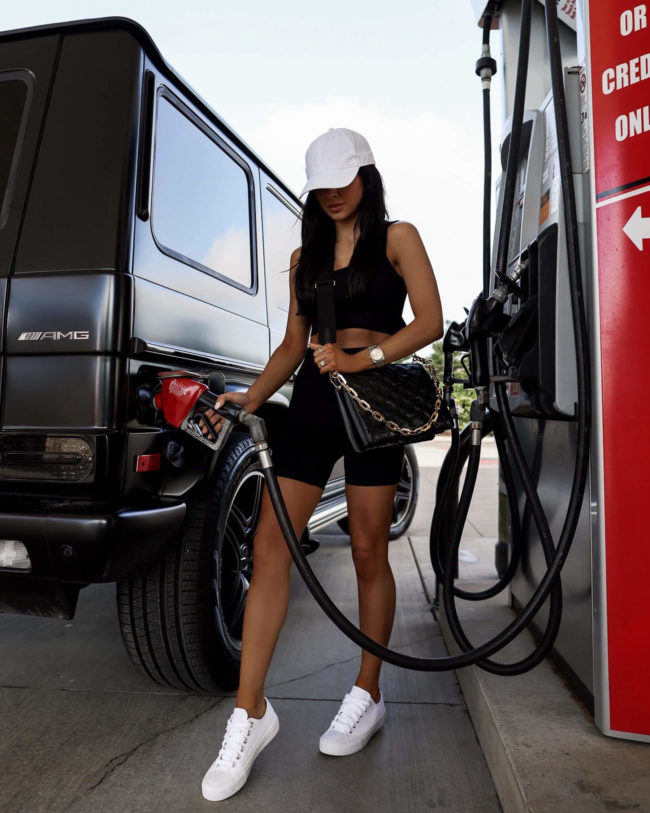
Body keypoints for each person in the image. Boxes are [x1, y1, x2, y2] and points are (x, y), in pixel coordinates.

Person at [200, 127, 443, 802]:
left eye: (344, 178)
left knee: (369, 547)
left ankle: (367, 691)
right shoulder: (305, 255)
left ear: (367, 173)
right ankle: (251, 712)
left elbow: (430, 322)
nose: (333, 193)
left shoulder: (398, 237)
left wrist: (365, 359)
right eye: (323, 184)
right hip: (312, 398)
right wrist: (249, 395)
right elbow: (291, 345)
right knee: (271, 543)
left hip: (374, 399)